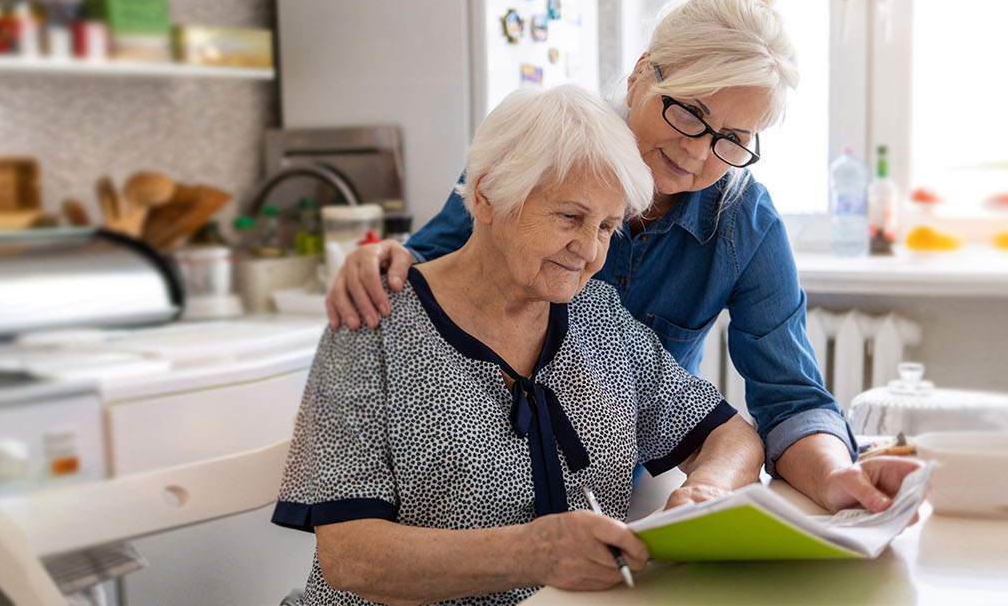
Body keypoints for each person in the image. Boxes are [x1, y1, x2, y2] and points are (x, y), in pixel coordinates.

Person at [325, 0, 923, 516]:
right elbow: (430, 274)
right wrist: (381, 260)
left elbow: (790, 399)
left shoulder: (745, 221)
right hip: (479, 487)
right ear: (642, 74)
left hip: (620, 487)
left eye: (732, 137)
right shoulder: (543, 154)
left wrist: (838, 475)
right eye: (690, 111)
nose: (696, 151)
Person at [273, 84, 763, 606]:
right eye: (570, 217)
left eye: (607, 226)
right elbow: (351, 556)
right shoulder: (372, 324)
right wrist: (533, 553)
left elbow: (732, 436)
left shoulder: (598, 316)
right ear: (485, 195)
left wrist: (706, 490)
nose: (589, 250)